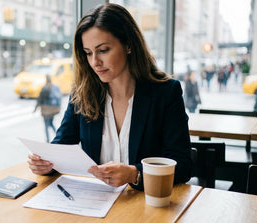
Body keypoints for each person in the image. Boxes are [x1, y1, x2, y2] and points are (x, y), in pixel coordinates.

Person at [27, 3, 192, 190]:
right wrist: (45, 164)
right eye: (88, 53)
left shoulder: (166, 92)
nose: (95, 62)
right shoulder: (83, 93)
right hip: (96, 205)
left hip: (146, 206)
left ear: (128, 44)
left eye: (103, 50)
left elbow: (183, 165)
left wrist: (134, 174)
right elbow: (61, 147)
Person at [34, 75, 62, 142]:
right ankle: (57, 136)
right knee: (51, 124)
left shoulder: (44, 88)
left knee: (46, 125)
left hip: (45, 110)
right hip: (53, 111)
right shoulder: (55, 87)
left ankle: (47, 140)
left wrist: (35, 108)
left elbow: (40, 100)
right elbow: (59, 97)